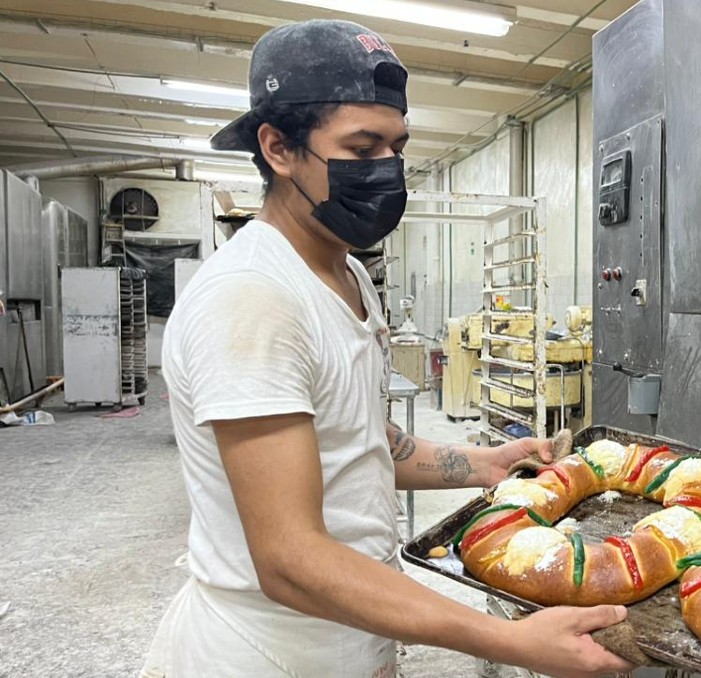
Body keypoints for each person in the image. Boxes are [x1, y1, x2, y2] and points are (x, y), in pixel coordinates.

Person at [140, 19, 634, 678]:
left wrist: (485, 463)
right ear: (279, 148)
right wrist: (508, 639)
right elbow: (288, 559)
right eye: (361, 146)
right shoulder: (252, 299)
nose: (386, 170)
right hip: (269, 652)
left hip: (350, 633)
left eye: (396, 147)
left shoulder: (343, 273)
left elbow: (360, 440)